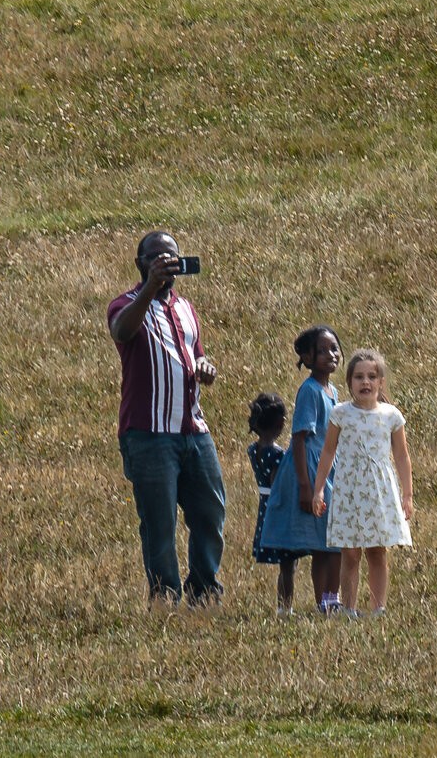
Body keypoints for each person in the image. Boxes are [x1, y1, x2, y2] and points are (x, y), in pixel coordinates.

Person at [107, 231, 224, 604]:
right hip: (148, 434)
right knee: (159, 523)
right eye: (156, 257)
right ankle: (165, 596)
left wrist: (205, 366)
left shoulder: (186, 307)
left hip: (194, 429)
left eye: (171, 257)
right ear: (140, 264)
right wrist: (149, 288)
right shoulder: (125, 304)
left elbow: (197, 352)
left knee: (210, 514)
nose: (165, 263)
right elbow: (122, 331)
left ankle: (203, 591)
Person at [310, 350, 413, 616]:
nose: (365, 382)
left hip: (379, 492)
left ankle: (378, 608)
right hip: (349, 492)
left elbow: (401, 456)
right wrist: (319, 489)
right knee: (351, 553)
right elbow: (328, 452)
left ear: (381, 382)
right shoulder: (341, 413)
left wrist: (407, 494)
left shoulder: (391, 416)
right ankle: (349, 608)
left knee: (377, 551)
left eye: (371, 376)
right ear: (350, 382)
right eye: (358, 377)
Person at [257, 326, 344, 612]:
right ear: (307, 358)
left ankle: (330, 601)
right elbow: (299, 438)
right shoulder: (309, 391)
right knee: (324, 541)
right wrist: (306, 486)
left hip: (326, 470)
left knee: (330, 541)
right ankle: (324, 602)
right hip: (309, 471)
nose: (331, 355)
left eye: (334, 348)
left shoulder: (332, 391)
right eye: (322, 350)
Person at [246, 392, 301, 615]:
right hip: (279, 509)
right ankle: (285, 608)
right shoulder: (278, 454)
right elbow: (279, 484)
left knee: (285, 564)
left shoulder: (253, 449)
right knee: (288, 564)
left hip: (264, 506)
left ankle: (283, 607)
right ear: (281, 423)